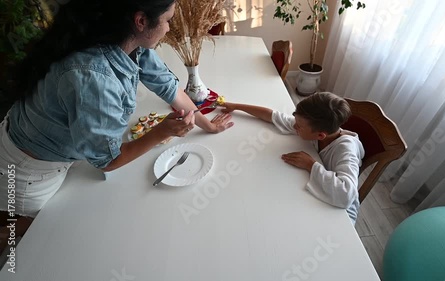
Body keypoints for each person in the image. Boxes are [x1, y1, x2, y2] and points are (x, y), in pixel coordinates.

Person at [0, 0, 233, 223]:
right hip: (28, 172)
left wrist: (208, 124)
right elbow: (107, 161)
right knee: (38, 233)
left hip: (59, 150)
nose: (169, 27)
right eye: (168, 20)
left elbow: (169, 88)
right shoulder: (94, 77)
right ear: (141, 21)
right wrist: (162, 131)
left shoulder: (127, 41)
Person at [221, 92, 365, 224]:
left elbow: (346, 195)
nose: (294, 126)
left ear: (321, 135)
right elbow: (273, 116)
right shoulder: (311, 128)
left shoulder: (346, 150)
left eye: (299, 126)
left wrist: (311, 165)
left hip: (341, 214)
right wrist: (236, 106)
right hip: (317, 195)